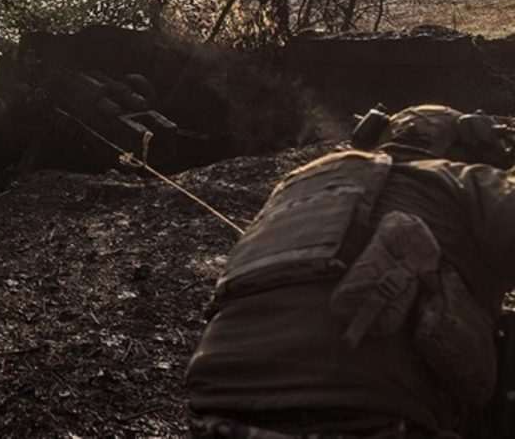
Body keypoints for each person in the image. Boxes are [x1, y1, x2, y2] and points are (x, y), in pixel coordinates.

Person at [186, 104, 515, 439]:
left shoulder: (297, 182)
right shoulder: (461, 180)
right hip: (366, 418)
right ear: (468, 146)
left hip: (213, 411)